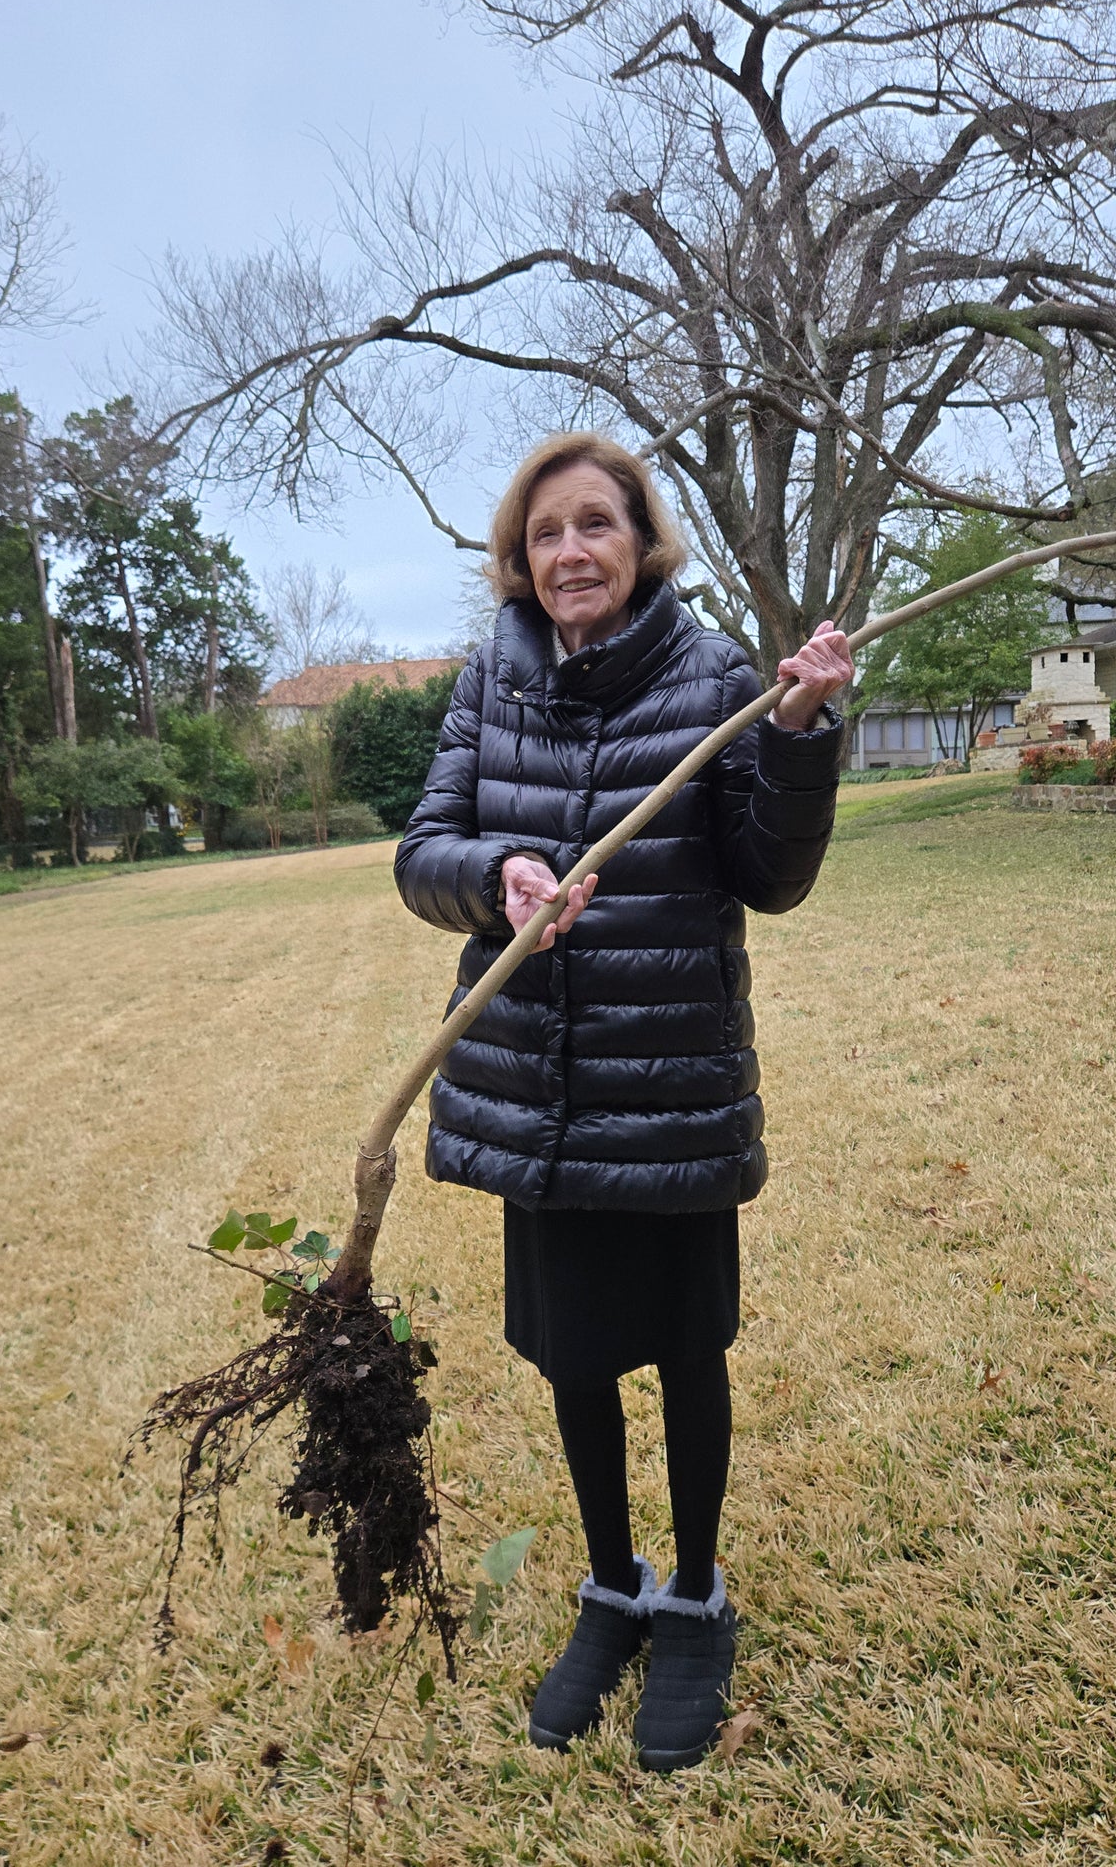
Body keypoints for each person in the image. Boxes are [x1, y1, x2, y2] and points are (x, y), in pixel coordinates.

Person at [394, 432, 851, 1770]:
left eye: (594, 525)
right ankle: (610, 1586)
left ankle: (694, 1596)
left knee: (682, 1351)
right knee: (576, 1354)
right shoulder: (492, 677)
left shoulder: (712, 679)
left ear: (642, 543)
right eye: (544, 535)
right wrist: (504, 876)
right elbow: (422, 854)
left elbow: (770, 873)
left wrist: (800, 729)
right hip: (534, 1086)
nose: (569, 553)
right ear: (518, 560)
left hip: (665, 1085)